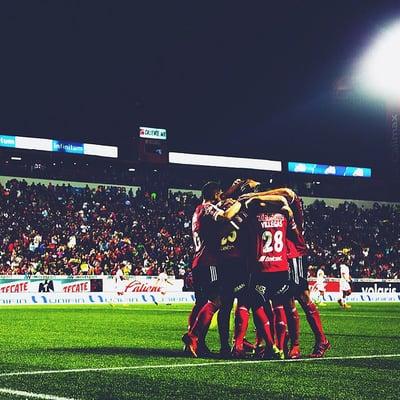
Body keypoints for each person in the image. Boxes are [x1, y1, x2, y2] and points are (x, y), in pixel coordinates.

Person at [238, 181, 330, 358]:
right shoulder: (267, 208)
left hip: (294, 254)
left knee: (301, 297)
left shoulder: (289, 203)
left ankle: (317, 340)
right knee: (282, 301)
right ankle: (279, 343)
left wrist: (254, 195)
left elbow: (286, 192)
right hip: (281, 259)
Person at [182, 181, 241, 357]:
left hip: (197, 262)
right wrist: (239, 202)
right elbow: (224, 216)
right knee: (216, 301)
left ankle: (195, 344)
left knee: (200, 303)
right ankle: (193, 336)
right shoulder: (209, 208)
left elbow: (218, 199)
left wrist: (232, 188)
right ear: (215, 195)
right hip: (209, 262)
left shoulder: (198, 210)